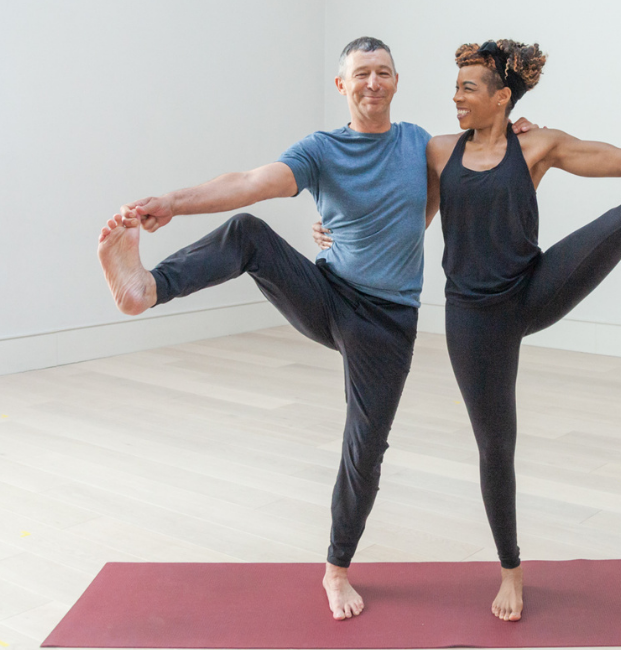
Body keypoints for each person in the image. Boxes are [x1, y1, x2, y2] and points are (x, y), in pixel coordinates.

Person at [316, 39, 621, 622]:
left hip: (532, 289)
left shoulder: (537, 145)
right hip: (471, 319)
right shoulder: (437, 150)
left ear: (502, 97)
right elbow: (385, 193)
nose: (456, 97)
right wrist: (334, 227)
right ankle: (511, 569)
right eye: (456, 86)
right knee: (495, 446)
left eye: (467, 88)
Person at [96, 36, 535, 621]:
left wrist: (517, 127)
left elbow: (485, 144)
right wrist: (173, 201)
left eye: (383, 72)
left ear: (396, 82)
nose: (373, 83)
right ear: (342, 86)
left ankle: (336, 570)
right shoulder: (321, 150)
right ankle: (149, 288)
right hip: (328, 295)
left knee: (365, 449)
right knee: (248, 231)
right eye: (361, 74)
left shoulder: (421, 145)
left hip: (388, 321)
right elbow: (250, 180)